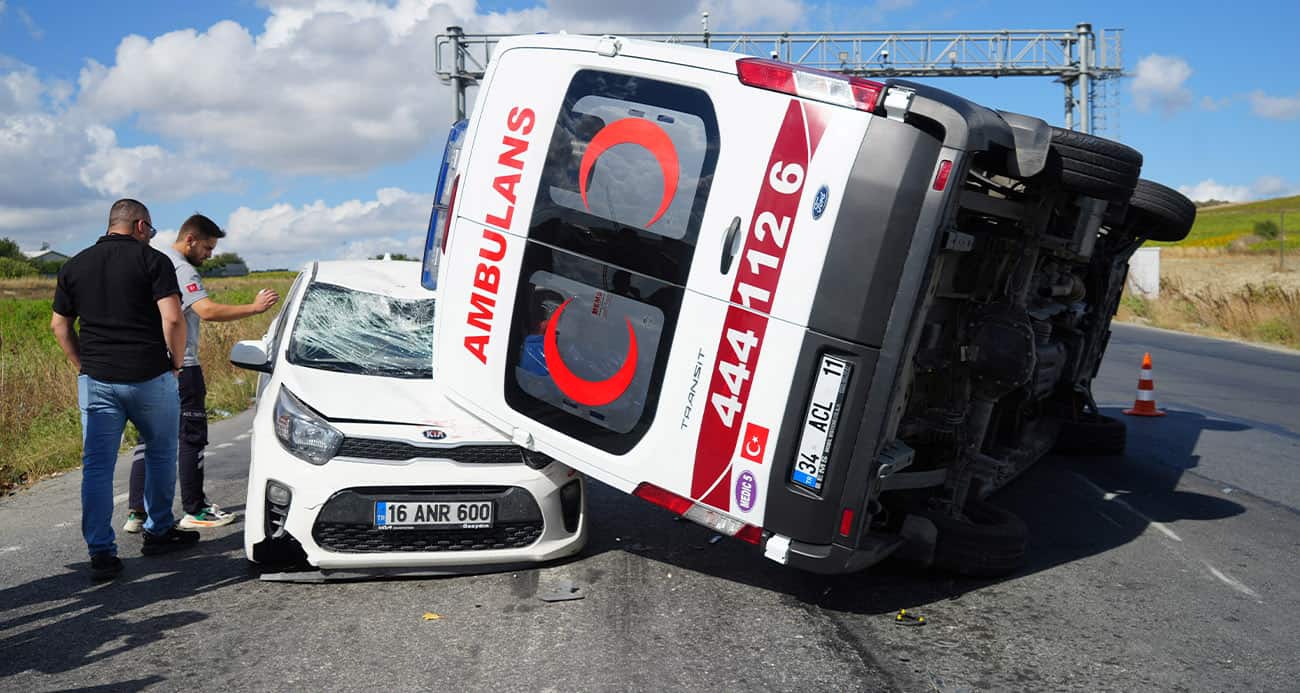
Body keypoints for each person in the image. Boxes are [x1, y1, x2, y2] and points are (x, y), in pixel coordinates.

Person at [51, 199, 200, 581]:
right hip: (150, 376)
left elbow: (60, 327)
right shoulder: (153, 261)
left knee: (97, 468)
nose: (151, 236)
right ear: (139, 225)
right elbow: (173, 318)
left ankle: (101, 552)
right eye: (150, 230)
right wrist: (176, 362)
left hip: (98, 381)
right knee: (161, 453)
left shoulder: (74, 265)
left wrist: (83, 365)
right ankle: (158, 531)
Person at [121, 214, 278, 532]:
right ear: (190, 239)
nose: (210, 255)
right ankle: (195, 508)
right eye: (207, 247)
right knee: (191, 436)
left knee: (148, 439)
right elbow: (205, 310)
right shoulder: (181, 267)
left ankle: (137, 512)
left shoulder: (151, 260)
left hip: (147, 367)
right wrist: (254, 308)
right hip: (183, 364)